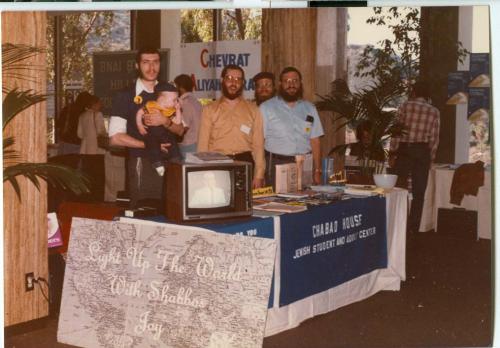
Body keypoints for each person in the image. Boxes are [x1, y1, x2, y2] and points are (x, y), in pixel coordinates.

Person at [109, 47, 184, 208]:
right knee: (145, 211)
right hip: (141, 162)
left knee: (172, 212)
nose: (151, 68)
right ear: (137, 66)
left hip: (172, 163)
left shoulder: (169, 92)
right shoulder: (124, 96)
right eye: (146, 62)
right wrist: (149, 145)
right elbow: (115, 138)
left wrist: (165, 121)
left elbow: (181, 131)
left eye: (155, 62)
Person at [197, 64, 265, 189]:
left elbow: (258, 145)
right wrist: (203, 173)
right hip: (217, 164)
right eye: (229, 78)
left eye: (238, 79)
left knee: (245, 205)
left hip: (245, 163)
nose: (234, 83)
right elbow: (202, 145)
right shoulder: (210, 109)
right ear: (222, 80)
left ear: (243, 83)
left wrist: (259, 175)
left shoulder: (253, 110)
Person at [389, 80, 440, 233]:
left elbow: (396, 132)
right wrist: (430, 158)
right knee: (419, 192)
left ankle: (397, 223)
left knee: (398, 188)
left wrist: (392, 153)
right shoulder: (434, 111)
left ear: (414, 92)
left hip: (404, 150)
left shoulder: (405, 106)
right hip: (422, 151)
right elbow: (434, 139)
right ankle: (413, 228)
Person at [260, 66, 324, 187]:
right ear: (280, 84)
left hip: (305, 164)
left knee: (306, 202)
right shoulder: (266, 108)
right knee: (278, 204)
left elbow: (315, 141)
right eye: (287, 81)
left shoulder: (310, 108)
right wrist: (259, 173)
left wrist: (317, 170)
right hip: (277, 164)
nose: (291, 84)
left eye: (295, 81)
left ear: (300, 83)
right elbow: (259, 142)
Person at [135, 81, 182, 176]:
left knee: (172, 142)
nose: (176, 102)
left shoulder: (170, 111)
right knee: (152, 143)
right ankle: (157, 163)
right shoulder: (151, 105)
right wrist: (139, 125)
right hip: (152, 133)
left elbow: (178, 122)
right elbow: (139, 112)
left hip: (165, 134)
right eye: (174, 100)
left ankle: (176, 158)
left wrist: (178, 110)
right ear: (162, 100)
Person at [77, 94, 106, 201]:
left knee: (88, 175)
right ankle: (97, 198)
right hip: (97, 150)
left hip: (85, 150)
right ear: (94, 104)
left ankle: (87, 197)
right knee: (98, 177)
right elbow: (100, 131)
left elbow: (79, 134)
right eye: (99, 103)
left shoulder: (82, 116)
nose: (100, 105)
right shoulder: (98, 115)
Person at [174, 74, 202, 158]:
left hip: (188, 145)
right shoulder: (196, 101)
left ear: (181, 88)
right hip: (196, 143)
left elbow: (183, 128)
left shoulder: (185, 103)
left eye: (176, 87)